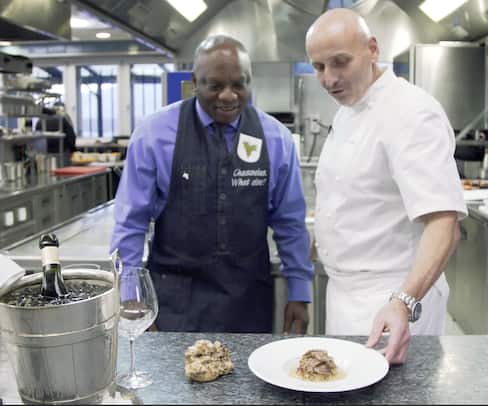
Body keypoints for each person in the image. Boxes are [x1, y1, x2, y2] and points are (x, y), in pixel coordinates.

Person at [110, 35, 314, 333]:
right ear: (195, 82)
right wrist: (131, 297)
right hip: (172, 302)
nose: (228, 96)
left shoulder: (276, 139)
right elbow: (130, 222)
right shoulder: (154, 135)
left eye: (239, 84)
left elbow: (290, 223)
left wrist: (299, 291)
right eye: (215, 86)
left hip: (248, 303)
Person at [305, 9, 467, 363]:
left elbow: (444, 225)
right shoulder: (348, 108)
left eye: (340, 62)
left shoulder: (411, 113)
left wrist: (403, 303)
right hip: (344, 294)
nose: (329, 79)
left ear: (373, 49)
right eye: (318, 67)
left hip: (392, 300)